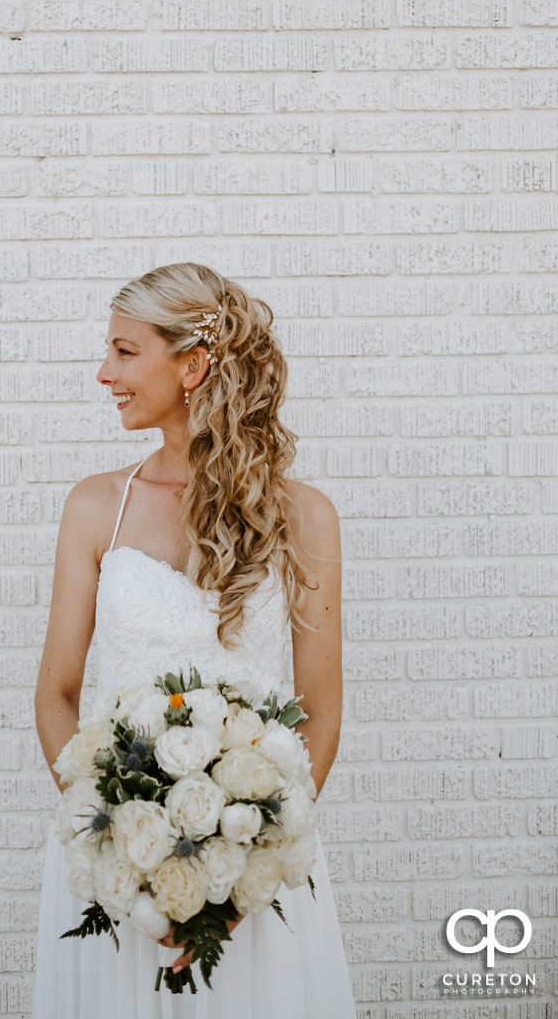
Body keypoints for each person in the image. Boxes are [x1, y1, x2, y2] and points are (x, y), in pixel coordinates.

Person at [33, 262, 357, 1017]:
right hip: (113, 864)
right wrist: (117, 837)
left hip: (257, 869)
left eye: (123, 351)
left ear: (193, 364)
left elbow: (322, 713)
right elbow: (55, 693)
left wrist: (246, 867)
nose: (103, 373)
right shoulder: (94, 508)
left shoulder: (304, 518)